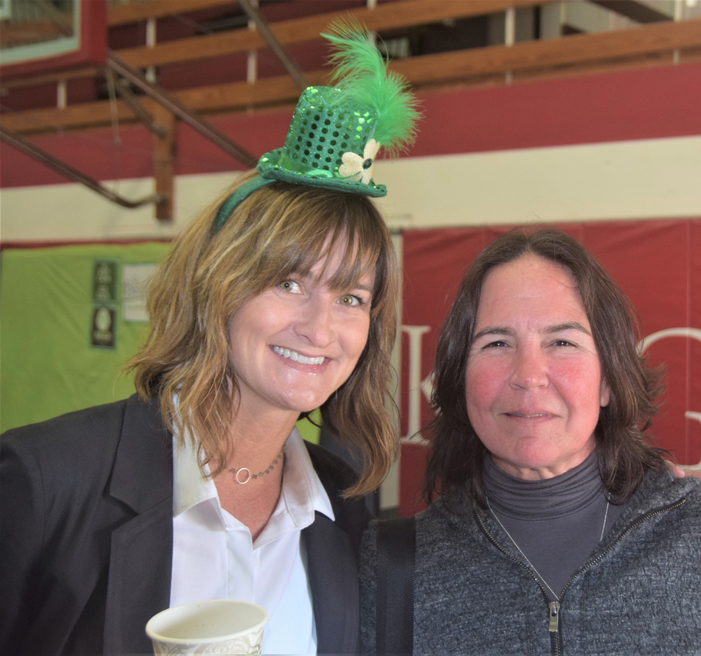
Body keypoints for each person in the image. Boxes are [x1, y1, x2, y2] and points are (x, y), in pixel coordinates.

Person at [0, 24, 418, 656]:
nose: (320, 328)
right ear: (216, 287)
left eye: (351, 297)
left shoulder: (345, 510)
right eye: (288, 283)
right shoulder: (46, 482)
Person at [360, 228, 701, 654]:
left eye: (562, 341)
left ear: (609, 380)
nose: (528, 376)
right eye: (497, 343)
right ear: (459, 379)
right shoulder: (392, 567)